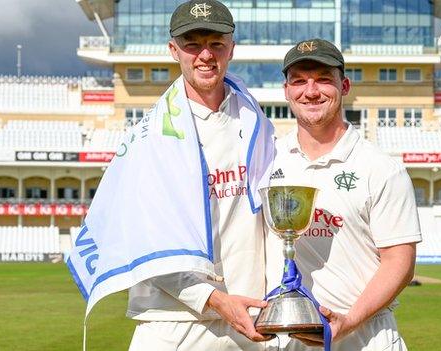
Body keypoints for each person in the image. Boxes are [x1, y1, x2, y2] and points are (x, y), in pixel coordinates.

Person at [127, 1, 274, 350]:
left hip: (249, 318)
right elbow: (144, 241)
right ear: (173, 50)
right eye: (192, 43)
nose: (205, 54)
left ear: (231, 49)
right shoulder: (149, 137)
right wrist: (215, 300)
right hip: (172, 320)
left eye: (216, 43)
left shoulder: (256, 121)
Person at [266, 38, 422, 350]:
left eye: (324, 80)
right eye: (299, 81)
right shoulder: (268, 159)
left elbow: (399, 262)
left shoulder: (381, 168)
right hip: (287, 339)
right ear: (286, 91)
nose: (311, 91)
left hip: (365, 336)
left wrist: (348, 322)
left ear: (345, 86)